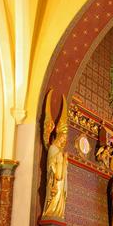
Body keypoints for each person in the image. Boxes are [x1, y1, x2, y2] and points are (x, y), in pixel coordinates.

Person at [42, 91, 68, 219]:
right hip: (54, 180)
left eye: (64, 140)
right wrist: (60, 158)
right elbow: (50, 164)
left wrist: (65, 160)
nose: (63, 142)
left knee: (60, 198)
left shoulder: (60, 151)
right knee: (54, 196)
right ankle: (51, 212)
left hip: (60, 180)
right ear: (58, 138)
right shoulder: (52, 147)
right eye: (62, 139)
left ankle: (57, 213)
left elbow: (63, 169)